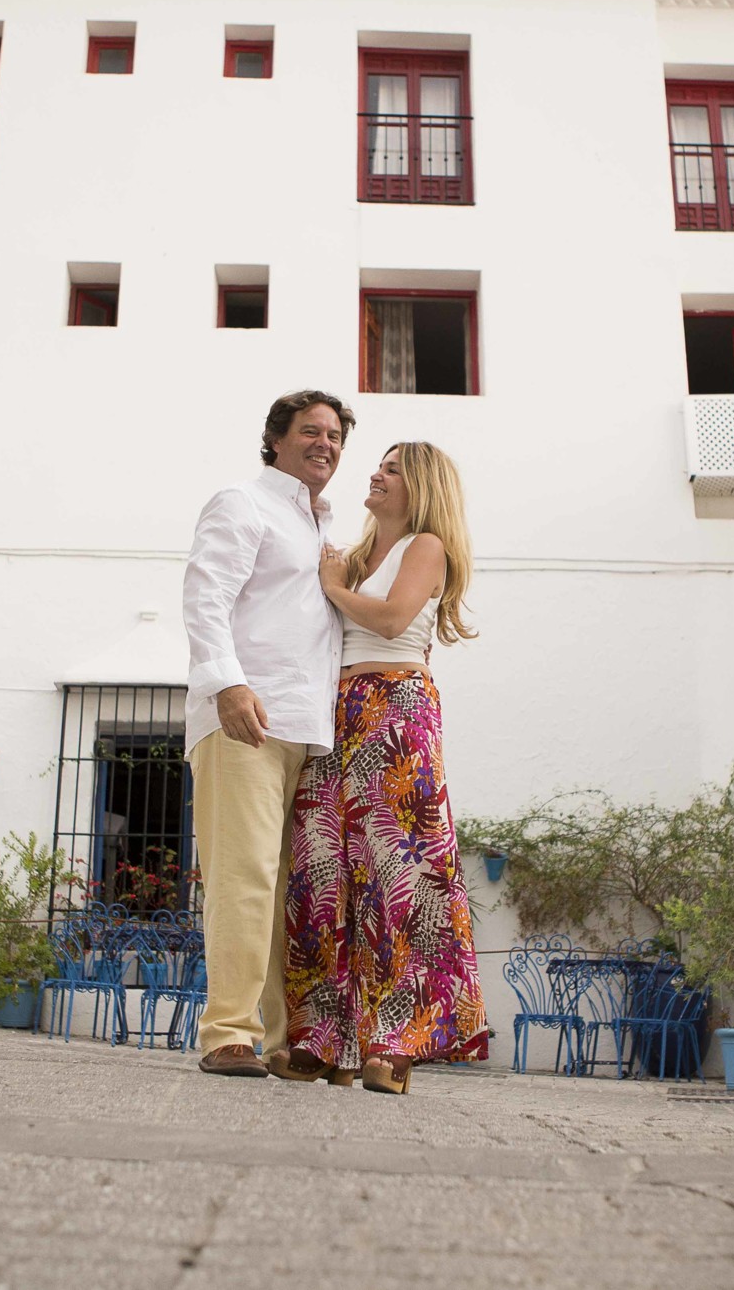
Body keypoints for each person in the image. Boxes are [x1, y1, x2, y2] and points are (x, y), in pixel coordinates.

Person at [270, 442, 489, 1094]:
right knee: (323, 870)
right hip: (334, 710)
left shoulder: (425, 545)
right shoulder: (356, 553)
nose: (375, 471)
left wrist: (335, 588)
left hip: (396, 707)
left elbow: (394, 621)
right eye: (380, 464)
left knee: (400, 875)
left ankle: (396, 1047)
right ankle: (324, 1039)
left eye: (391, 467)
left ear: (418, 484)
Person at [182, 389, 356, 1077]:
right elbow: (205, 593)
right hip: (245, 718)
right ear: (276, 439)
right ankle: (228, 1031)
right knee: (244, 874)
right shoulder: (242, 502)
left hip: (305, 732)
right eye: (311, 430)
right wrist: (226, 681)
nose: (326, 443)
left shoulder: (322, 530)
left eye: (336, 435)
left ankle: (280, 1037)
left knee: (286, 887)